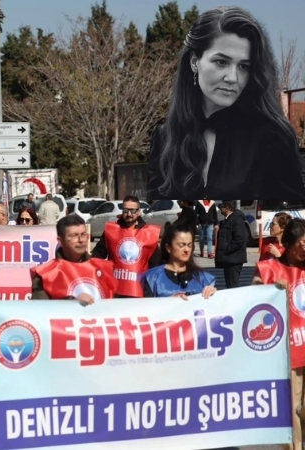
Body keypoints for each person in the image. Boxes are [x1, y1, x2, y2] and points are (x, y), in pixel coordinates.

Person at [147, 6, 305, 200]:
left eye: (243, 66)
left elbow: (293, 212)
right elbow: (154, 211)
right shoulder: (164, 138)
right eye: (221, 62)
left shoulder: (272, 136)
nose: (232, 78)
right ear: (195, 61)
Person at [253, 218, 305, 450]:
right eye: (300, 244)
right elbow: (251, 298)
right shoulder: (271, 269)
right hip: (288, 351)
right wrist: (268, 290)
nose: (303, 250)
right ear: (289, 244)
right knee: (290, 409)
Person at [31, 215, 117, 301]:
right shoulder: (47, 275)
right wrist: (72, 302)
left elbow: (114, 305)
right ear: (60, 241)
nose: (81, 240)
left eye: (83, 234)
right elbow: (41, 307)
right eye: (74, 236)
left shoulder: (102, 269)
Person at [91, 196, 162, 297]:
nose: (129, 214)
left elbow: (156, 265)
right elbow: (97, 256)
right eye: (125, 210)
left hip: (140, 292)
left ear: (139, 212)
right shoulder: (111, 230)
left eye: (132, 211)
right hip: (115, 292)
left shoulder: (149, 233)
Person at [141, 223, 217, 298]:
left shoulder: (202, 278)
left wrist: (213, 293)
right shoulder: (153, 277)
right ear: (168, 247)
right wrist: (169, 302)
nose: (186, 250)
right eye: (181, 245)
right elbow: (148, 305)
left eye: (189, 245)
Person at [215, 201, 247, 288]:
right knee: (230, 285)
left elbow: (239, 239)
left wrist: (227, 249)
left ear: (227, 208)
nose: (219, 209)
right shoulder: (228, 219)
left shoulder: (237, 220)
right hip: (229, 259)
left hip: (234, 259)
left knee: (233, 285)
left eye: (221, 207)